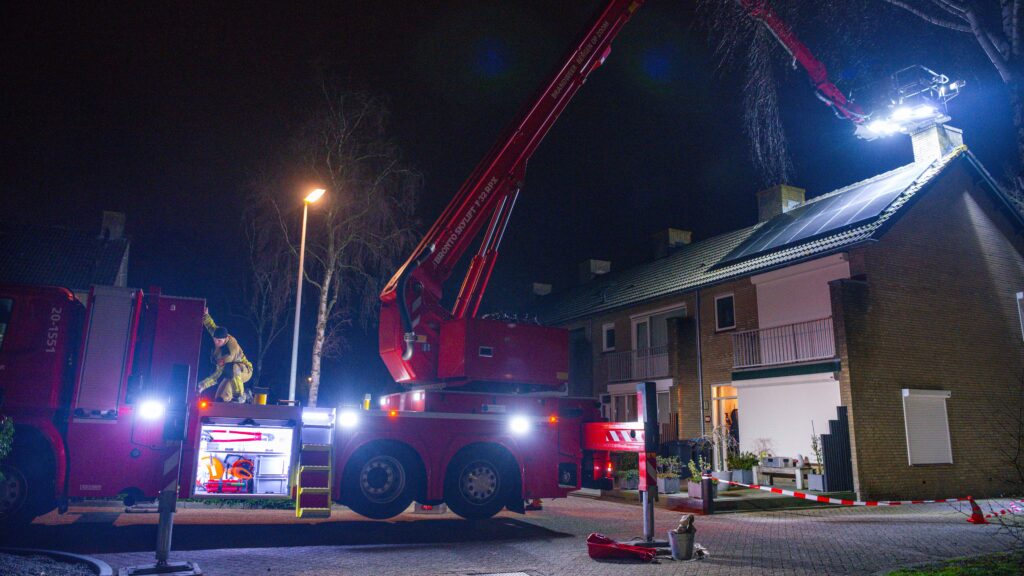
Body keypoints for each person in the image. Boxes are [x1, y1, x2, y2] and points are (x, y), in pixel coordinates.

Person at [197, 308, 253, 403]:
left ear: (226, 338)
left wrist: (204, 385)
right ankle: (228, 401)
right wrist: (206, 316)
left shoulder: (231, 350)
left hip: (245, 371)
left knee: (232, 368)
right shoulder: (219, 336)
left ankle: (242, 395)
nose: (216, 342)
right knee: (220, 398)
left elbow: (218, 374)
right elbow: (211, 327)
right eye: (215, 340)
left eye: (219, 341)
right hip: (231, 376)